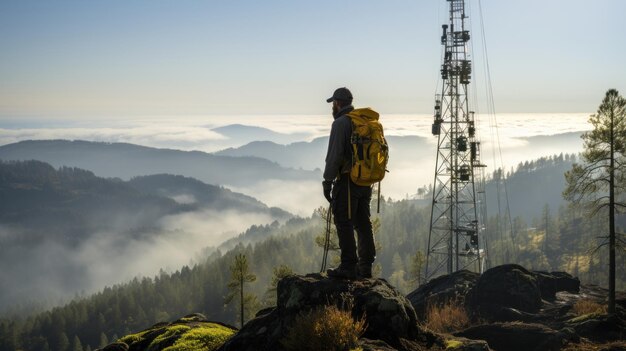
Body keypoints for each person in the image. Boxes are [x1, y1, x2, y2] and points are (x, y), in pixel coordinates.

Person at [322, 87, 376, 279]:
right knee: (363, 222)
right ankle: (365, 266)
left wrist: (327, 182)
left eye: (333, 104)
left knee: (343, 220)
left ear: (337, 103)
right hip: (365, 181)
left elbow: (334, 156)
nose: (332, 108)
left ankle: (348, 266)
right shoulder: (361, 120)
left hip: (347, 181)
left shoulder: (341, 124)